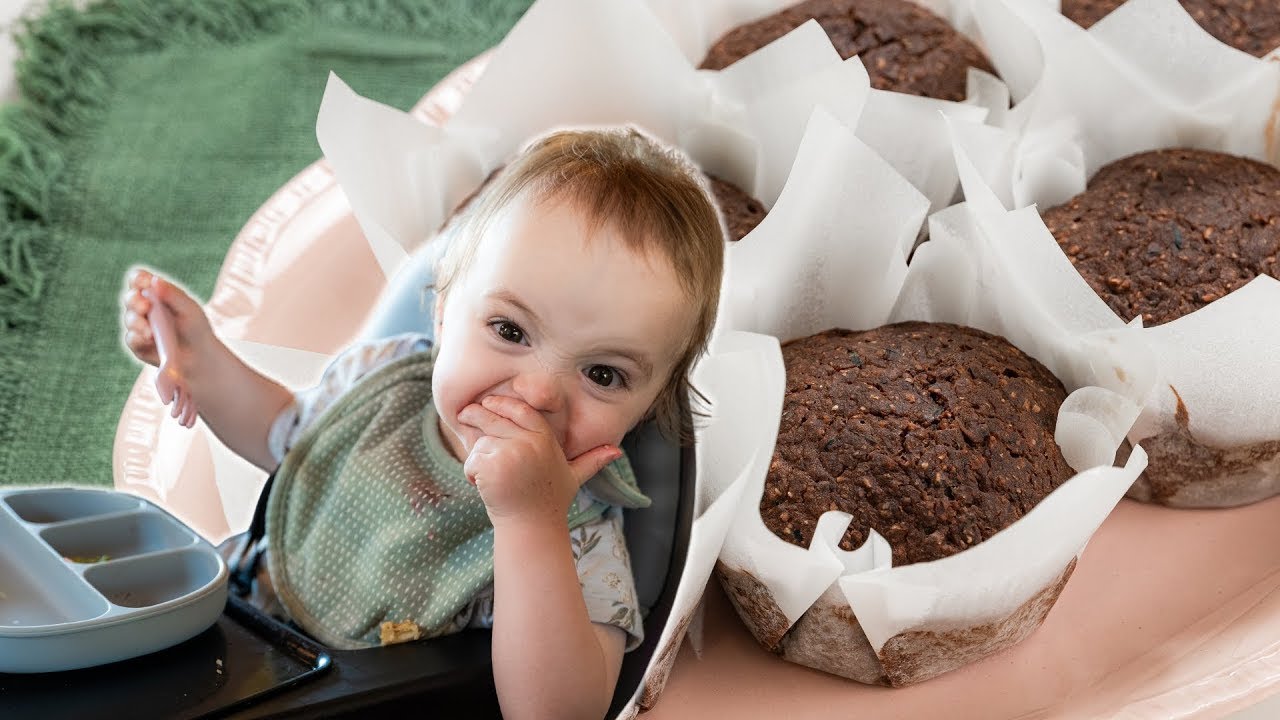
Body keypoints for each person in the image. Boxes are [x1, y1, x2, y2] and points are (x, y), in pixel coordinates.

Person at [120, 126, 725, 720]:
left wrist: (528, 523)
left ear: (649, 407)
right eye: (510, 331)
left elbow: (559, 712)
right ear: (442, 313)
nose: (539, 393)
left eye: (603, 374)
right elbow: (282, 433)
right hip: (225, 631)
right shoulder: (383, 384)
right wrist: (203, 359)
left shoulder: (579, 535)